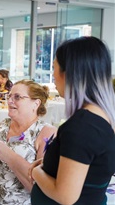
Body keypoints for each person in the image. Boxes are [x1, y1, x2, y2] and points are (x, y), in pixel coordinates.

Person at [30, 37, 115, 204]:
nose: (53, 75)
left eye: (54, 67)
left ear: (68, 73)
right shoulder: (101, 117)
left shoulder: (82, 126)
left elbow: (65, 196)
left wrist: (36, 171)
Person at [0, 79, 56, 204]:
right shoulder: (4, 124)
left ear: (36, 104)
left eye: (17, 97)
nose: (9, 101)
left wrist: (8, 155)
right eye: (9, 96)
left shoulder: (46, 133)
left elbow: (40, 189)